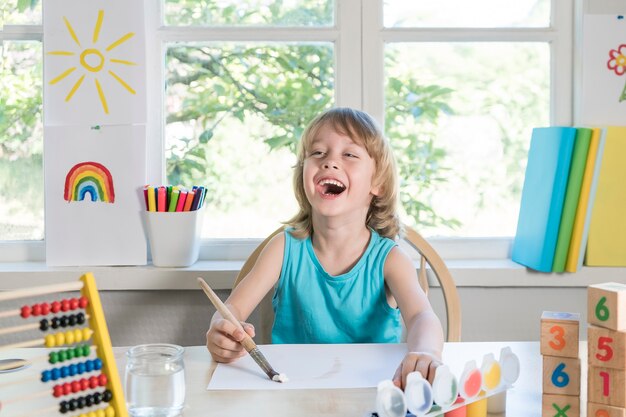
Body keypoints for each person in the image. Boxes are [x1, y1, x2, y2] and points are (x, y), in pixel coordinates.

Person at [206, 107, 444, 389]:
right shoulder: (283, 247)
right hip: (292, 391)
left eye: (350, 154)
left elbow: (421, 317)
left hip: (372, 392)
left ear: (377, 182)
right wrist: (221, 330)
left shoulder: (390, 259)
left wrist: (427, 352)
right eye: (317, 153)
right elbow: (232, 308)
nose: (330, 162)